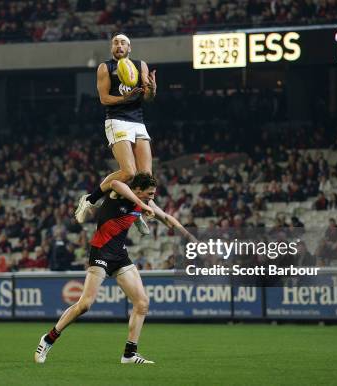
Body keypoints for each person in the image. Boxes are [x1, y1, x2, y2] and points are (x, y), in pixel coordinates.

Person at [35, 173, 196, 364]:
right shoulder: (119, 194)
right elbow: (115, 183)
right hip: (101, 252)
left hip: (120, 256)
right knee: (85, 304)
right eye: (149, 193)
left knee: (142, 303)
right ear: (137, 190)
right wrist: (143, 205)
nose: (152, 197)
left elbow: (168, 220)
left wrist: (193, 239)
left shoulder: (145, 203)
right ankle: (48, 339)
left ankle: (129, 354)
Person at [75, 32, 157, 235]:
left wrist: (153, 90)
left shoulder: (140, 66)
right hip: (117, 121)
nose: (118, 46)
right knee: (128, 172)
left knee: (146, 177)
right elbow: (104, 99)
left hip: (138, 121)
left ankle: (134, 212)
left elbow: (148, 97)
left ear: (129, 48)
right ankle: (90, 199)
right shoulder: (106, 67)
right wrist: (124, 98)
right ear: (112, 48)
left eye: (123, 43)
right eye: (115, 43)